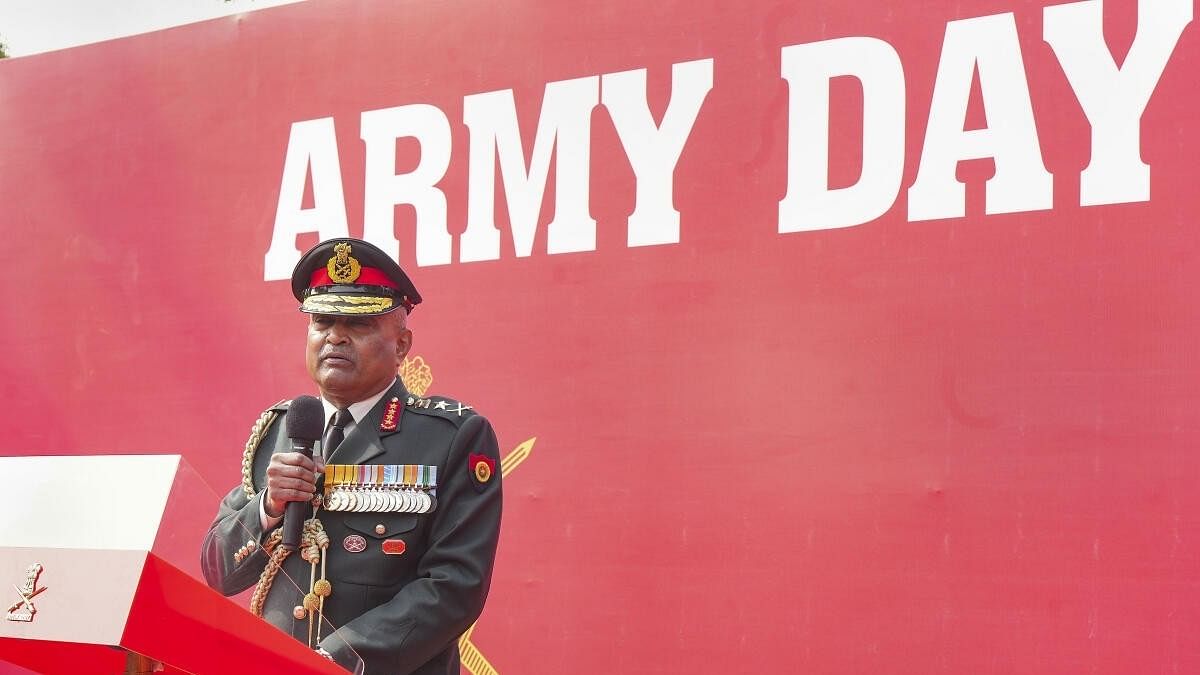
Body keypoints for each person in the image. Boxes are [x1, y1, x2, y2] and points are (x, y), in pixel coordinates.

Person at [201, 238, 502, 674]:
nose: (335, 336)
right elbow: (218, 570)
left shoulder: (452, 437)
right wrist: (269, 506)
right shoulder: (281, 429)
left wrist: (331, 662)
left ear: (401, 346)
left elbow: (454, 587)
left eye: (358, 325)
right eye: (322, 321)